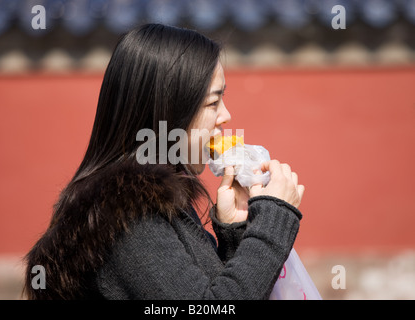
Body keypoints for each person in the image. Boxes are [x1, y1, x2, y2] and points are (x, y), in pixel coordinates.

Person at [23, 23, 305, 300]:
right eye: (212, 103)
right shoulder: (126, 215)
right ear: (170, 112)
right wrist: (273, 220)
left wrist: (234, 231)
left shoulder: (158, 202)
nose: (225, 116)